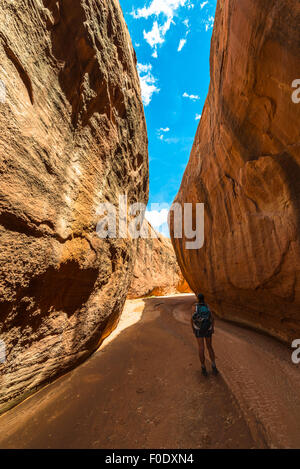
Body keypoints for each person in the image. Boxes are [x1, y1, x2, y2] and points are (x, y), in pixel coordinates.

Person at [191, 293, 218, 376]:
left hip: (198, 329)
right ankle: (213, 366)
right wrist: (212, 328)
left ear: (197, 298)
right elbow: (212, 318)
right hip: (208, 328)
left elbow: (192, 319)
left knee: (201, 347)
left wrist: (193, 329)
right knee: (209, 347)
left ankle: (203, 367)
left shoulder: (195, 307)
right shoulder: (207, 306)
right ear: (204, 298)